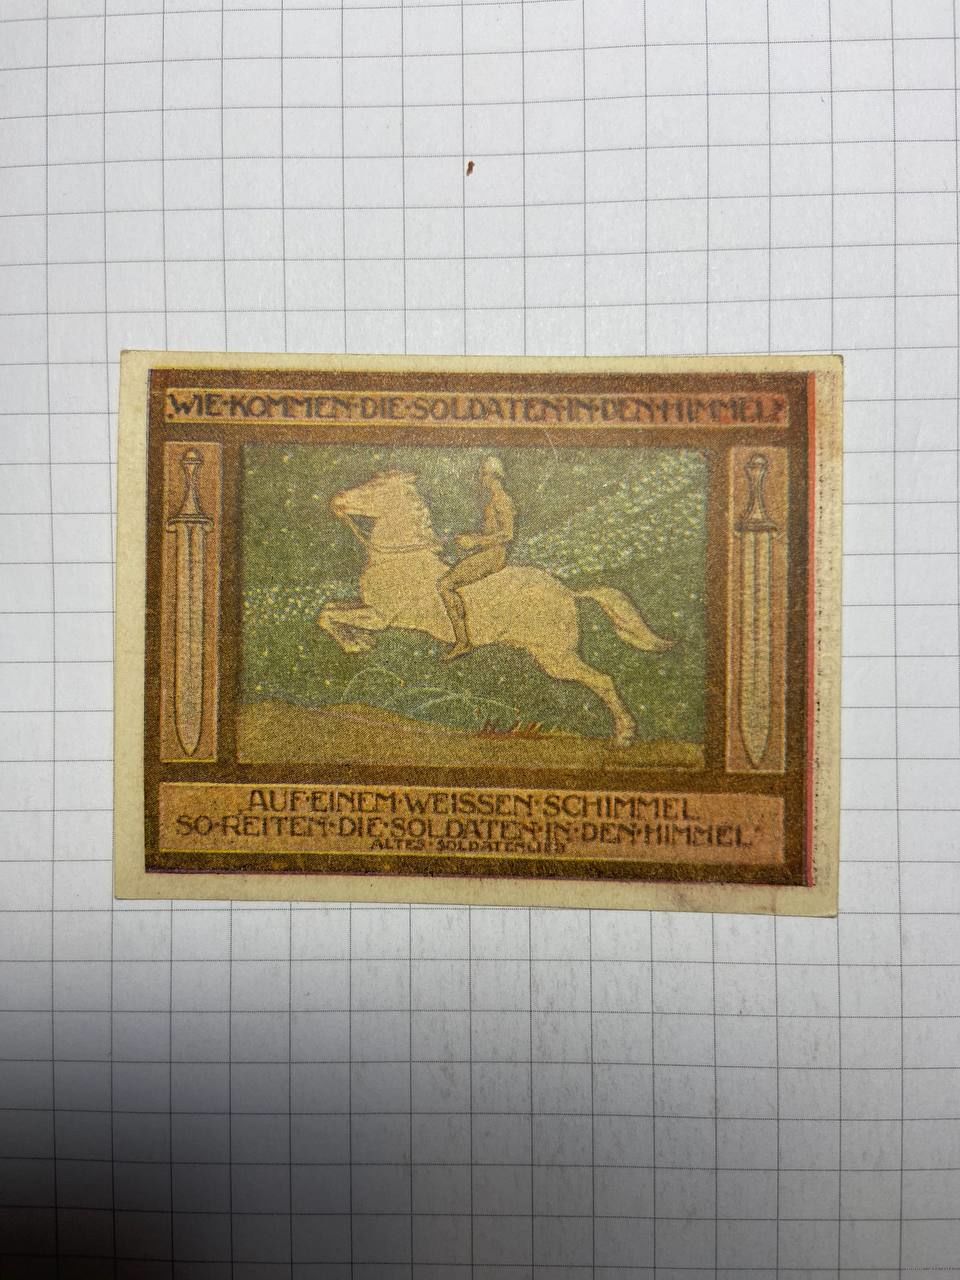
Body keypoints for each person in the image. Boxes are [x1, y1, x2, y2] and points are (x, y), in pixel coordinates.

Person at [438, 456, 515, 660]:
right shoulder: (493, 500)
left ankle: (463, 642)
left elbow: (508, 534)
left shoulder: (501, 500)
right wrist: (469, 539)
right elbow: (492, 531)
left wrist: (475, 542)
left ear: (493, 476)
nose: (481, 478)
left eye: (483, 474)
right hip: (488, 551)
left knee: (445, 585)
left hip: (493, 555)